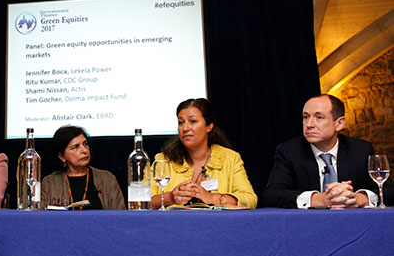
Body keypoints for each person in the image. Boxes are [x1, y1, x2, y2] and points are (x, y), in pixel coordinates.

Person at [264, 94, 394, 208]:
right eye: (306, 117)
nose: (309, 124)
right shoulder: (289, 151)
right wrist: (318, 199)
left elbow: (389, 190)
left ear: (339, 123)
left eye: (319, 117)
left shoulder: (360, 150)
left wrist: (359, 198)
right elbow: (272, 194)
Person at [151, 98, 257, 209]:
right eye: (181, 123)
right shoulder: (163, 160)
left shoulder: (230, 158)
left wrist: (213, 198)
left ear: (209, 126)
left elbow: (250, 199)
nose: (185, 128)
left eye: (192, 121)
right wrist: (170, 197)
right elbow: (140, 203)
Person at [41, 125, 125, 209]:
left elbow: (120, 217)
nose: (84, 150)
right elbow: (40, 217)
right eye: (75, 147)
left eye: (85, 144)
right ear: (62, 156)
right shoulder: (49, 183)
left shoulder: (107, 179)